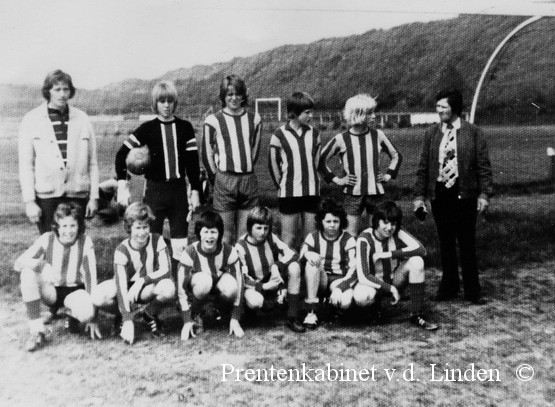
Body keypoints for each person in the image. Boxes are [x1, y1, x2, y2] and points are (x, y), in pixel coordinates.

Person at [413, 88, 493, 305]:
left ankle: (472, 291)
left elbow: (483, 167)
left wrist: (484, 195)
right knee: (445, 242)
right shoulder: (431, 133)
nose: (439, 111)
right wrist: (419, 196)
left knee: (467, 242)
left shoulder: (474, 132)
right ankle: (449, 287)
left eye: (444, 107)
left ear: (455, 108)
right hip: (440, 194)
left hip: (465, 194)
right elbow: (423, 167)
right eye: (437, 107)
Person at [115, 80, 202, 268]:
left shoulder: (185, 127)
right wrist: (123, 184)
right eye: (162, 101)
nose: (167, 105)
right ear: (155, 103)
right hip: (155, 191)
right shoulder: (147, 128)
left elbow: (193, 163)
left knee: (180, 242)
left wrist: (195, 190)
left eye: (170, 101)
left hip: (178, 191)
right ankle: (150, 281)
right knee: (151, 239)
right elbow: (121, 154)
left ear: (175, 102)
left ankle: (180, 285)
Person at [13, 202, 106, 352]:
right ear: (57, 226)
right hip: (52, 292)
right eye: (64, 226)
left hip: (75, 291)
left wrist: (94, 318)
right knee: (28, 273)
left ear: (79, 226)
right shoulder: (47, 239)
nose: (68, 231)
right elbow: (19, 263)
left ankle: (71, 315)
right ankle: (37, 330)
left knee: (87, 313)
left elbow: (90, 277)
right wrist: (42, 265)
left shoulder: (85, 241)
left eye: (72, 226)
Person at [18, 69, 99, 235]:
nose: (62, 94)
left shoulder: (83, 119)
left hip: (77, 196)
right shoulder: (31, 119)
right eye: (57, 89)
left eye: (66, 89)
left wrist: (93, 198)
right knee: (50, 245)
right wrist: (30, 202)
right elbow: (26, 165)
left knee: (76, 244)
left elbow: (93, 163)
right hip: (47, 198)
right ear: (48, 91)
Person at [319, 94, 401, 237]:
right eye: (370, 113)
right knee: (350, 234)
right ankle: (352, 259)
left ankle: (375, 258)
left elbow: (396, 156)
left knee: (377, 232)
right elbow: (320, 161)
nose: (374, 116)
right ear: (358, 115)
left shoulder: (378, 135)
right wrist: (337, 180)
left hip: (376, 193)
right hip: (352, 193)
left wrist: (388, 175)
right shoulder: (341, 139)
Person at [355, 201, 438, 330]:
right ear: (377, 221)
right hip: (372, 283)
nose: (389, 228)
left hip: (394, 279)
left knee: (417, 261)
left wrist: (388, 254)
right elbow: (364, 276)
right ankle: (372, 308)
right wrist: (390, 289)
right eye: (385, 223)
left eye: (393, 224)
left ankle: (416, 314)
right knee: (361, 297)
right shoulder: (364, 239)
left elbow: (421, 250)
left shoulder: (396, 232)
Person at [201, 75, 262, 245]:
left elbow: (254, 150)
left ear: (243, 96)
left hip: (248, 180)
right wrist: (216, 178)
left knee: (244, 236)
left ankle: (241, 270)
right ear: (223, 97)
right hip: (224, 180)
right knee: (225, 235)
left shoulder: (255, 119)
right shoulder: (213, 120)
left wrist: (246, 169)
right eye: (229, 94)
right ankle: (225, 269)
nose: (234, 98)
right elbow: (206, 154)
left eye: (237, 94)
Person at [106, 203, 176, 344]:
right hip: (126, 288)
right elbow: (120, 286)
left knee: (168, 288)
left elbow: (167, 270)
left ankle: (149, 314)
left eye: (145, 227)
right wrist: (127, 318)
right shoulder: (122, 249)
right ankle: (122, 316)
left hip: (145, 287)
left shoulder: (157, 240)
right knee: (99, 296)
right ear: (129, 228)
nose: (142, 232)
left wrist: (142, 281)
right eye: (138, 227)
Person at [235, 206, 305, 333]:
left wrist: (276, 266)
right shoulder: (241, 246)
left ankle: (292, 315)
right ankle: (249, 310)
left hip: (271, 279)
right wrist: (265, 286)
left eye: (266, 228)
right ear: (250, 226)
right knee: (256, 301)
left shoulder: (271, 237)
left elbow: (293, 254)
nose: (262, 232)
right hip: (254, 285)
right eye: (258, 228)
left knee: (294, 267)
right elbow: (243, 279)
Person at [177, 210, 245, 340]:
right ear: (199, 233)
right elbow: (181, 288)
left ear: (219, 233)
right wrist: (186, 320)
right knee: (204, 281)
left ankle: (219, 308)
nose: (210, 236)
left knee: (231, 287)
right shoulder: (190, 252)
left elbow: (240, 284)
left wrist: (235, 318)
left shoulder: (229, 251)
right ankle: (195, 313)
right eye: (205, 231)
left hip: (217, 284)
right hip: (197, 287)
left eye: (213, 231)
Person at [269, 91, 321, 250]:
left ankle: (308, 271)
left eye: (311, 111)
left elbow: (316, 161)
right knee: (288, 239)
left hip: (311, 192)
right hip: (289, 193)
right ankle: (286, 271)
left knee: (310, 239)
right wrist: (283, 185)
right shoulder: (279, 134)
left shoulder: (314, 133)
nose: (311, 115)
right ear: (295, 112)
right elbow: (273, 165)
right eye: (307, 112)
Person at [299, 198, 357, 329]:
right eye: (328, 221)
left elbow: (355, 269)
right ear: (321, 222)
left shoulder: (348, 239)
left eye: (336, 221)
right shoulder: (313, 237)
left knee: (345, 302)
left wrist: (340, 288)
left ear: (341, 222)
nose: (332, 225)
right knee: (311, 263)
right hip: (320, 278)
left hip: (339, 279)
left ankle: (330, 306)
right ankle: (311, 312)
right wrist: (307, 254)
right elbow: (300, 259)